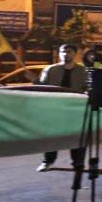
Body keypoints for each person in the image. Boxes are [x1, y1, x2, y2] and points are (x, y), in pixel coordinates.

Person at [36, 43, 89, 172]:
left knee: (78, 136)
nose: (65, 54)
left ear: (75, 54)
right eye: (62, 51)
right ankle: (48, 161)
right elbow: (42, 87)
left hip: (75, 110)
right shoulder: (50, 70)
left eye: (69, 51)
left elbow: (87, 88)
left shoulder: (83, 71)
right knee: (51, 136)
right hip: (54, 108)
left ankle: (78, 163)